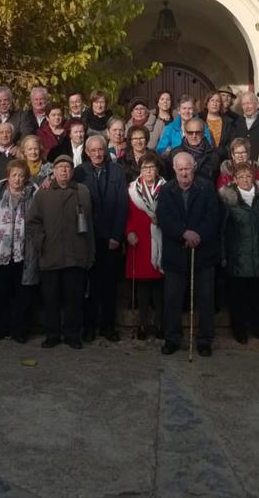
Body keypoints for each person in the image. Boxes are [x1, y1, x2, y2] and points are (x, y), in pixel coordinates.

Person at [26, 154, 95, 349]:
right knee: (51, 299)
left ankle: (73, 335)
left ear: (72, 171)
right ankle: (52, 334)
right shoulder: (43, 193)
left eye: (67, 167)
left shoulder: (82, 191)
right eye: (60, 167)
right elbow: (32, 222)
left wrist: (90, 253)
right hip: (50, 254)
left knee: (74, 298)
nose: (64, 170)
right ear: (53, 171)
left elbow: (89, 223)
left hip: (76, 254)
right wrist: (42, 241)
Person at [156, 150, 220, 357]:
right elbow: (164, 218)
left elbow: (213, 216)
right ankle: (172, 338)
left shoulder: (206, 187)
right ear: (174, 169)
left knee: (205, 298)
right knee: (173, 299)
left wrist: (198, 234)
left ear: (194, 168)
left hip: (202, 252)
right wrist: (183, 233)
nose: (184, 173)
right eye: (180, 169)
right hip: (176, 252)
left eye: (188, 169)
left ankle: (204, 340)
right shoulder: (167, 190)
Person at [0, 157, 39, 342]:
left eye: (21, 176)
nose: (18, 179)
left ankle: (19, 330)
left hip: (23, 253)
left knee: (22, 294)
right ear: (8, 177)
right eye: (14, 175)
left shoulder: (32, 196)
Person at [74, 134, 128, 341]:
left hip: (110, 237)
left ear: (105, 151)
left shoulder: (117, 171)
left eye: (100, 150)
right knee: (89, 285)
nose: (97, 153)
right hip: (87, 236)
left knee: (109, 284)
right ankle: (89, 326)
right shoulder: (79, 172)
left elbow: (123, 205)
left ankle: (108, 326)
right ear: (87, 152)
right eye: (93, 150)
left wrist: (117, 235)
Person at [219, 161, 259, 345]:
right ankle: (240, 330)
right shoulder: (228, 200)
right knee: (239, 298)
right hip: (238, 258)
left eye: (248, 175)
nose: (245, 179)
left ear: (254, 177)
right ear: (234, 179)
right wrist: (224, 255)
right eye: (240, 176)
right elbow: (222, 231)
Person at [125, 153, 165, 339]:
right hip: (139, 240)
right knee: (142, 286)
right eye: (145, 168)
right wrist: (129, 231)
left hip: (161, 239)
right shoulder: (131, 190)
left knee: (158, 285)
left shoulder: (166, 188)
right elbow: (126, 213)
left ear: (157, 170)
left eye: (152, 167)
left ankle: (159, 323)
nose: (148, 171)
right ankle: (141, 324)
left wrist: (162, 219)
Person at [0, 84, 36, 150]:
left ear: (11, 100)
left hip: (15, 155)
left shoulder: (21, 116)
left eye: (5, 100)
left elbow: (27, 134)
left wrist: (19, 146)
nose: (2, 103)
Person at [177, 117, 223, 183]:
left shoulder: (214, 155)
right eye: (190, 132)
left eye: (197, 132)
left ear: (203, 133)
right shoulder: (176, 154)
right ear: (185, 133)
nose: (194, 136)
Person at [202, 88, 246, 153]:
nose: (215, 103)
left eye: (217, 101)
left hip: (223, 159)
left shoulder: (229, 123)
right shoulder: (199, 120)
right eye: (212, 100)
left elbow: (232, 143)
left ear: (221, 104)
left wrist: (221, 152)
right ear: (207, 103)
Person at [239, 91, 259, 161]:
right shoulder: (238, 122)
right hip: (243, 164)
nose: (247, 107)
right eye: (244, 104)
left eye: (249, 103)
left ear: (257, 104)